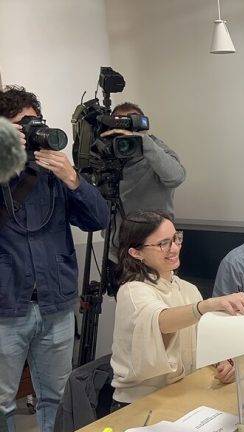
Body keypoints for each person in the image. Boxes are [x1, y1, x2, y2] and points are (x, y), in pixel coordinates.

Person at [0, 85, 110, 432]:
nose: (34, 132)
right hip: (6, 308)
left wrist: (73, 178)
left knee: (57, 397)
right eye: (23, 125)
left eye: (37, 122)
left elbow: (99, 219)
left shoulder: (53, 173)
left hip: (56, 306)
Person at [110, 210, 244, 407]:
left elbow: (202, 343)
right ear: (136, 252)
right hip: (139, 404)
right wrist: (206, 306)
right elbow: (161, 321)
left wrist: (221, 362)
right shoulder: (132, 291)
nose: (174, 248)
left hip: (181, 392)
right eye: (163, 244)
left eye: (175, 239)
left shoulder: (187, 289)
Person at [100, 102, 186, 295]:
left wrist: (143, 141)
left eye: (131, 127)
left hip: (158, 253)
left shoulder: (156, 152)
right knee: (128, 311)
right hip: (119, 254)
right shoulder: (108, 160)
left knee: (160, 309)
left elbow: (176, 176)